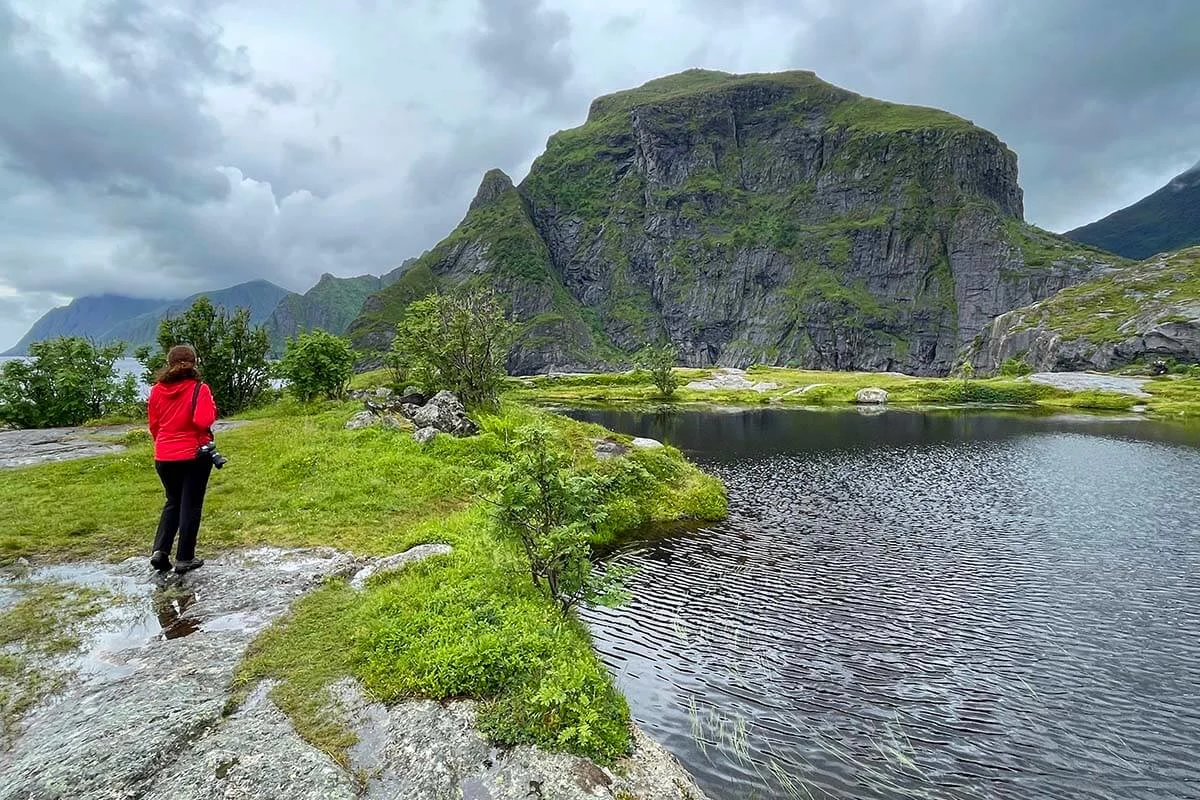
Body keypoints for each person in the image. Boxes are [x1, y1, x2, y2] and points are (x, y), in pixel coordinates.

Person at [147, 344, 217, 574]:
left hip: (164, 456)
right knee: (191, 505)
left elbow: (154, 426)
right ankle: (185, 557)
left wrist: (165, 444)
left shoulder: (157, 390)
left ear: (169, 363)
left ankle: (160, 551)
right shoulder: (199, 389)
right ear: (194, 363)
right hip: (194, 454)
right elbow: (202, 421)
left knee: (173, 501)